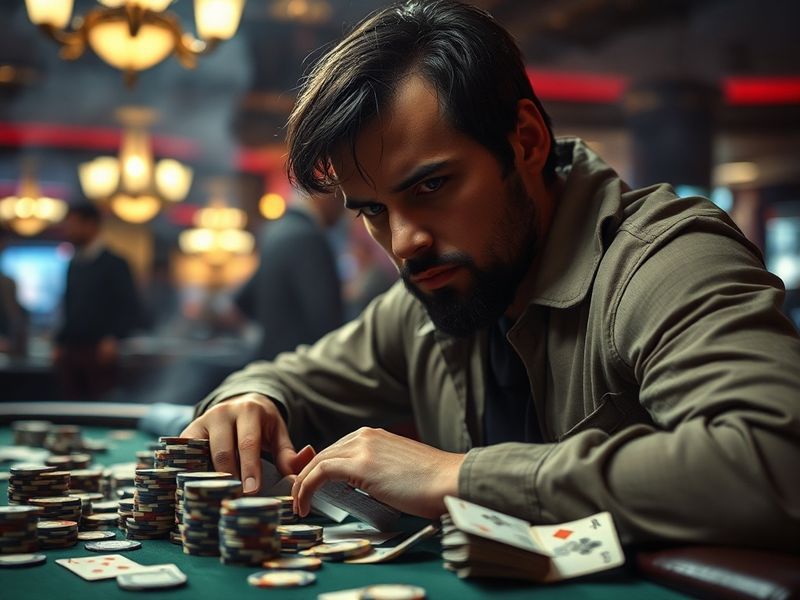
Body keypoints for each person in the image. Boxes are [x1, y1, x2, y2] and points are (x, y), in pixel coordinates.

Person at [183, 0, 800, 550]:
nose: (404, 244)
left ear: (526, 141)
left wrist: (457, 477)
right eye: (373, 210)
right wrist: (250, 397)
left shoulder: (664, 259)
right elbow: (290, 376)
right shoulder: (433, 288)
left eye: (431, 185)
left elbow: (777, 460)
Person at [234, 191, 344, 360]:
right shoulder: (309, 237)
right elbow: (327, 320)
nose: (344, 209)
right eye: (340, 199)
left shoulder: (274, 231)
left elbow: (244, 300)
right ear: (321, 194)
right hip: (302, 365)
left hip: (271, 361)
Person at [53, 202, 140, 399]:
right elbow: (69, 306)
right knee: (71, 401)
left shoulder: (115, 263)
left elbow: (129, 306)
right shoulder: (74, 264)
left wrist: (113, 338)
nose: (69, 230)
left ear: (91, 225)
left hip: (100, 351)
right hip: (72, 350)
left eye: (73, 224)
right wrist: (60, 342)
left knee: (100, 401)